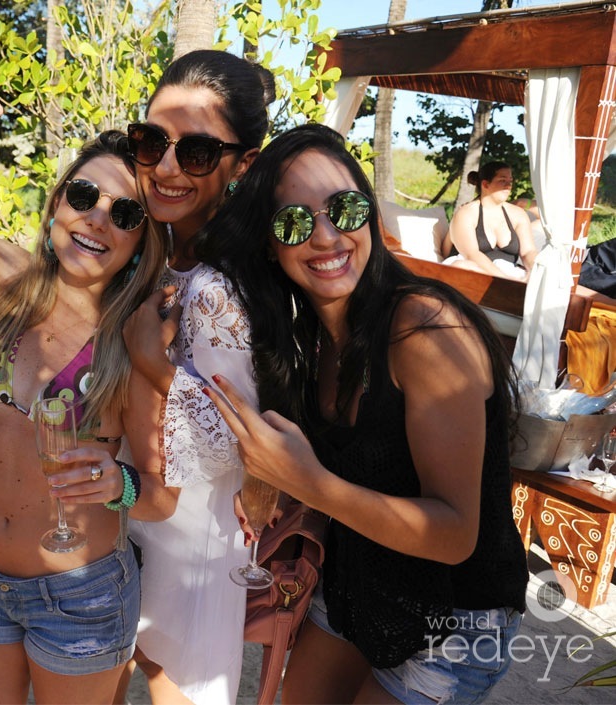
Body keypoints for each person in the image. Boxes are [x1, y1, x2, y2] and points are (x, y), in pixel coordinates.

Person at [200, 123, 529, 705]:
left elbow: (455, 535)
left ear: (369, 215)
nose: (325, 236)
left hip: (454, 617)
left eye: (344, 209)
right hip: (358, 582)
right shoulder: (312, 339)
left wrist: (307, 481)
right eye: (294, 222)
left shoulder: (425, 329)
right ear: (271, 246)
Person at [0, 131, 175, 704]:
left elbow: (161, 496)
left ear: (140, 243)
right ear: (55, 206)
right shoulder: (17, 288)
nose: (97, 219)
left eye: (124, 213)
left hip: (79, 597)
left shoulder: (131, 343)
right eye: (83, 195)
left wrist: (116, 484)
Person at [119, 49, 277, 704]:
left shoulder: (218, 285)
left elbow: (237, 444)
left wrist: (151, 363)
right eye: (152, 140)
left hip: (197, 544)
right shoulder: (162, 250)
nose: (164, 166)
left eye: (198, 153)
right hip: (147, 523)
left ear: (243, 164)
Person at [442, 161, 537, 280]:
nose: (508, 186)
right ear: (485, 184)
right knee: (461, 266)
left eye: (510, 181)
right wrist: (505, 279)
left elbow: (528, 251)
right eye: (502, 180)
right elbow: (472, 254)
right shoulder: (467, 213)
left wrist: (535, 269)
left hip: (509, 273)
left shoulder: (518, 214)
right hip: (474, 271)